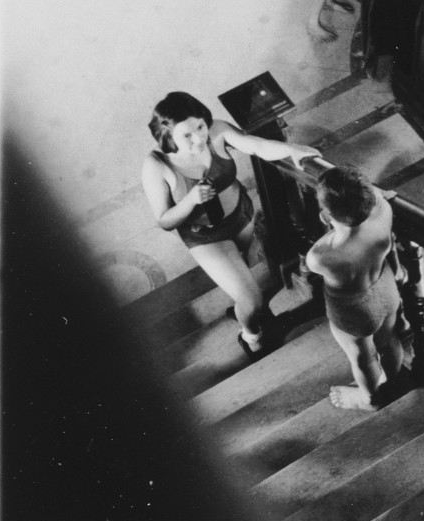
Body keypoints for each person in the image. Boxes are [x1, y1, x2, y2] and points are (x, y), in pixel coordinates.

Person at [142, 91, 321, 358]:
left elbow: (256, 145)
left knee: (245, 275)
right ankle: (251, 336)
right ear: (168, 136)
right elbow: (165, 221)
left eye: (200, 127)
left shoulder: (218, 131)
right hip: (206, 238)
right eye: (186, 136)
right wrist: (191, 201)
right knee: (251, 299)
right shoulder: (158, 165)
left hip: (241, 217)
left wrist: (292, 150)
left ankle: (243, 305)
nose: (199, 139)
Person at [305, 164, 405, 410]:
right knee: (389, 340)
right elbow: (378, 195)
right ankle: (393, 379)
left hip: (354, 309)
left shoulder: (320, 256)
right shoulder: (384, 212)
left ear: (326, 216)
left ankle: (369, 398)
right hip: (385, 288)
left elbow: (326, 246)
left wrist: (330, 225)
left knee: (362, 357)